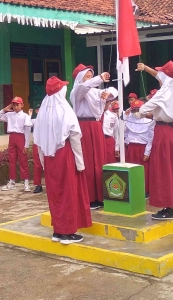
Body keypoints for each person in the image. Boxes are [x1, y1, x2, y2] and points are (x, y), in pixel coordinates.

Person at [34, 76, 92, 245]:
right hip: (65, 155)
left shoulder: (43, 111)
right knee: (68, 193)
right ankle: (68, 233)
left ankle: (58, 231)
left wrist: (44, 162)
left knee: (55, 195)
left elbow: (37, 139)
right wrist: (80, 162)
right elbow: (74, 137)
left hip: (49, 157)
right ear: (61, 91)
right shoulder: (65, 110)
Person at [136, 61, 173, 220]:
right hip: (170, 131)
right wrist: (146, 68)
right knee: (172, 169)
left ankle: (171, 207)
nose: (159, 77)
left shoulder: (164, 93)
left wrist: (139, 112)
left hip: (164, 133)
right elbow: (160, 75)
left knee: (165, 170)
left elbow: (147, 106)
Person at [70, 64, 115, 210]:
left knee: (99, 160)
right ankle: (89, 197)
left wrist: (107, 94)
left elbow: (114, 91)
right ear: (79, 78)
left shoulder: (95, 91)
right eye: (87, 76)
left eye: (91, 76)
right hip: (84, 126)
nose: (90, 79)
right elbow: (84, 87)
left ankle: (101, 196)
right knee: (88, 161)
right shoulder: (77, 91)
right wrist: (99, 78)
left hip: (96, 126)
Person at [0, 97, 34, 191]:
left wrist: (26, 145)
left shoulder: (25, 116)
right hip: (12, 137)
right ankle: (12, 181)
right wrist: (4, 110)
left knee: (23, 160)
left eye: (17, 104)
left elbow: (27, 130)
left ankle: (26, 182)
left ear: (22, 105)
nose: (15, 107)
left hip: (21, 137)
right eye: (14, 105)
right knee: (11, 160)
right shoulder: (9, 115)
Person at [121, 99, 154, 197]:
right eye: (134, 110)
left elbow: (151, 139)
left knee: (143, 171)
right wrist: (125, 116)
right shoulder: (128, 120)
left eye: (138, 110)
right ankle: (132, 189)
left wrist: (147, 152)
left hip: (142, 148)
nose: (136, 112)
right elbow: (123, 132)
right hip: (131, 147)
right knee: (131, 169)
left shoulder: (148, 122)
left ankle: (144, 190)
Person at [30, 103, 44, 194]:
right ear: (36, 111)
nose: (40, 111)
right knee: (37, 165)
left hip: (47, 144)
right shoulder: (34, 121)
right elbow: (27, 123)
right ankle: (38, 185)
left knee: (49, 165)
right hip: (37, 144)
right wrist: (29, 115)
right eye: (38, 109)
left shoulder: (48, 120)